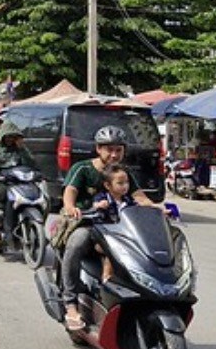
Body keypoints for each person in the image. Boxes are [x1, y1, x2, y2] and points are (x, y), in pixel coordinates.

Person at [57, 126, 155, 331]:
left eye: (118, 150)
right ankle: (70, 304)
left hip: (118, 226)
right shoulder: (83, 168)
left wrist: (157, 209)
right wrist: (70, 207)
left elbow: (139, 196)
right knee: (75, 244)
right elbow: (70, 191)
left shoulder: (122, 172)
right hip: (88, 223)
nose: (114, 154)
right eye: (109, 149)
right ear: (98, 149)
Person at [0, 120, 34, 249]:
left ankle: (34, 227)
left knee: (43, 199)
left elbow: (32, 164)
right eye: (8, 136)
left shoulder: (21, 149)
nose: (10, 139)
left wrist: (23, 150)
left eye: (13, 136)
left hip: (20, 182)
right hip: (2, 181)